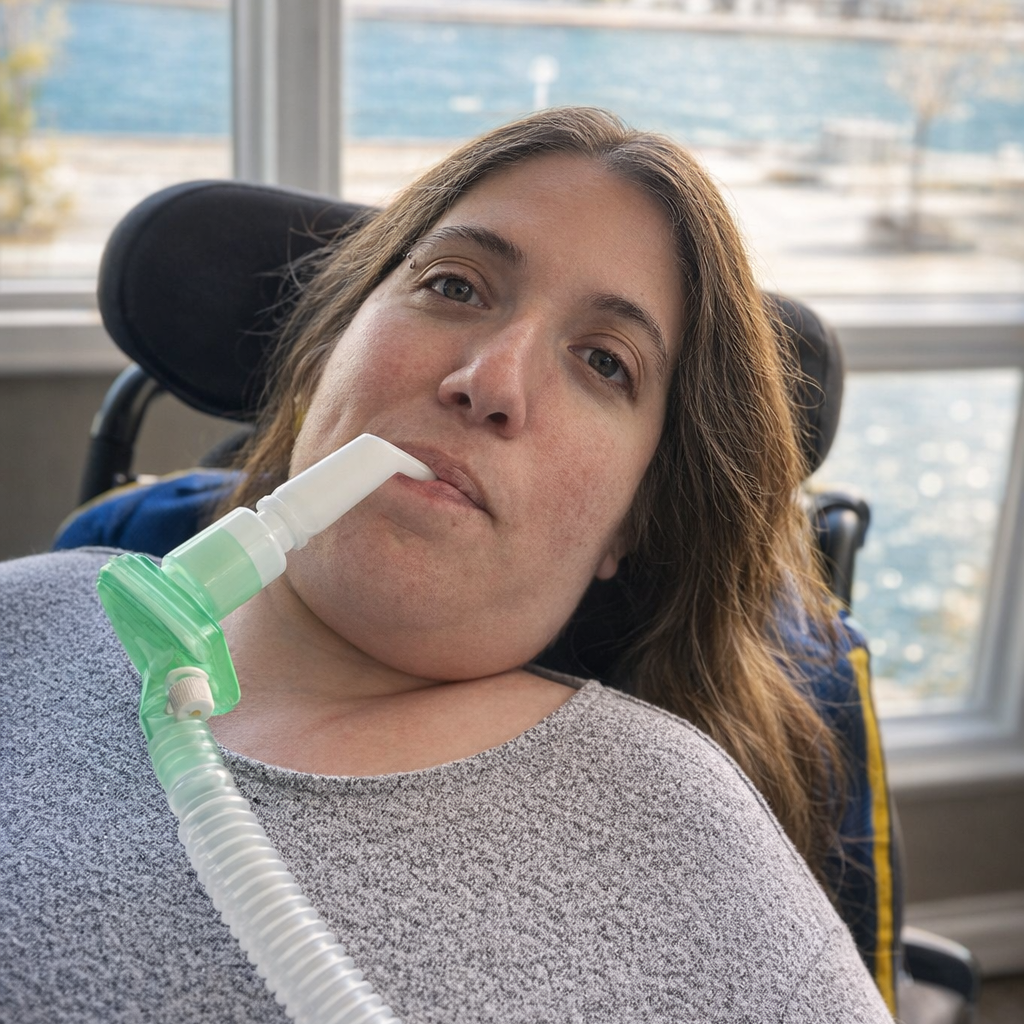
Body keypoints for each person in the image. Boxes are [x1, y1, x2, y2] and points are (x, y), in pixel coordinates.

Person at [0, 107, 893, 1022]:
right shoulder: (27, 615)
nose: (491, 381)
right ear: (324, 353)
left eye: (603, 362)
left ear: (632, 522)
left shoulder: (688, 835)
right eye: (456, 287)